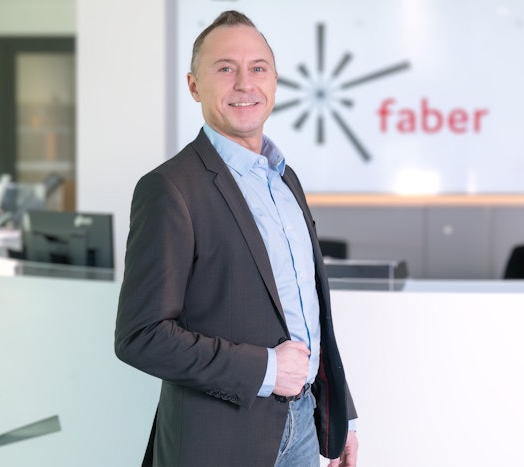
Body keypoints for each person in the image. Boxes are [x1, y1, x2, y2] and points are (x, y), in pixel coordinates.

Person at [115, 10, 358, 467]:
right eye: (225, 68)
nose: (245, 83)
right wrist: (266, 369)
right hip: (219, 441)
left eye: (258, 68)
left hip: (305, 427)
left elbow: (308, 311)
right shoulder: (170, 188)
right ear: (194, 86)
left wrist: (340, 416)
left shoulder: (285, 180)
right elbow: (141, 336)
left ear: (275, 82)